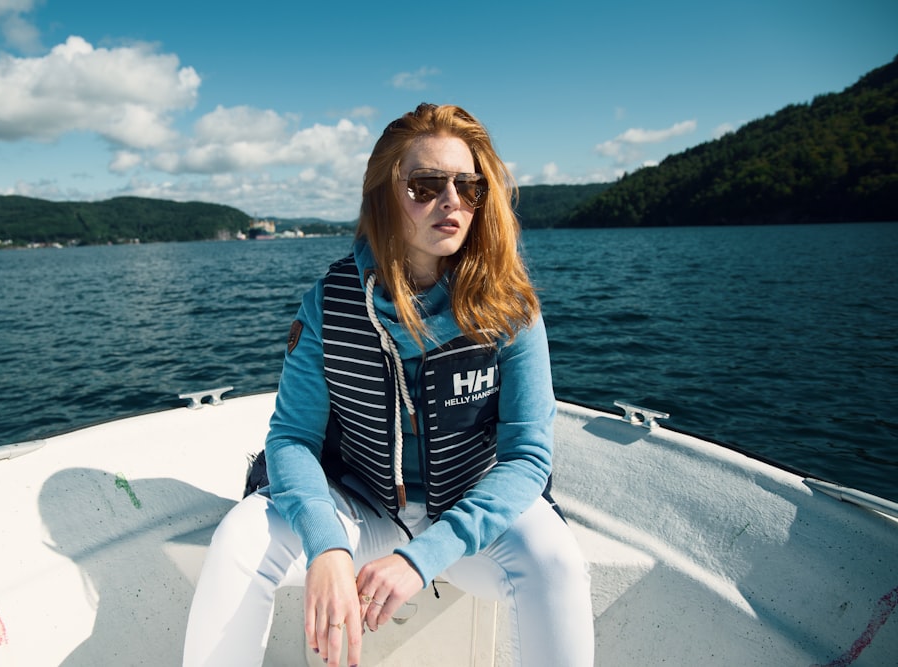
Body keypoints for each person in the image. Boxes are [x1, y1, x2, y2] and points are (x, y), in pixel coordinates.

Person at [183, 103, 594, 667]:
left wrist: (427, 555)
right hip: (365, 506)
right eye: (425, 184)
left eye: (468, 187)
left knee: (557, 564)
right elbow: (291, 439)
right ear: (383, 196)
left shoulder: (511, 309)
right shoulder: (330, 306)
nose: (451, 201)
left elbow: (526, 457)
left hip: (468, 514)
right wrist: (325, 543)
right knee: (240, 540)